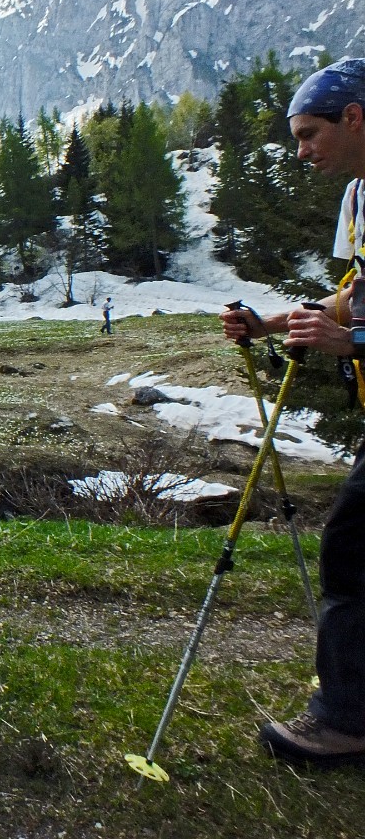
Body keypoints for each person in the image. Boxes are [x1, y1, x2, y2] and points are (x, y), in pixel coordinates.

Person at [220, 57, 365, 768]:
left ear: (355, 118)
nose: (302, 152)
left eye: (310, 135)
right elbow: (352, 299)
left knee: (352, 549)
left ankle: (343, 721)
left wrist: (351, 342)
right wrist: (274, 325)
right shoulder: (358, 200)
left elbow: (353, 323)